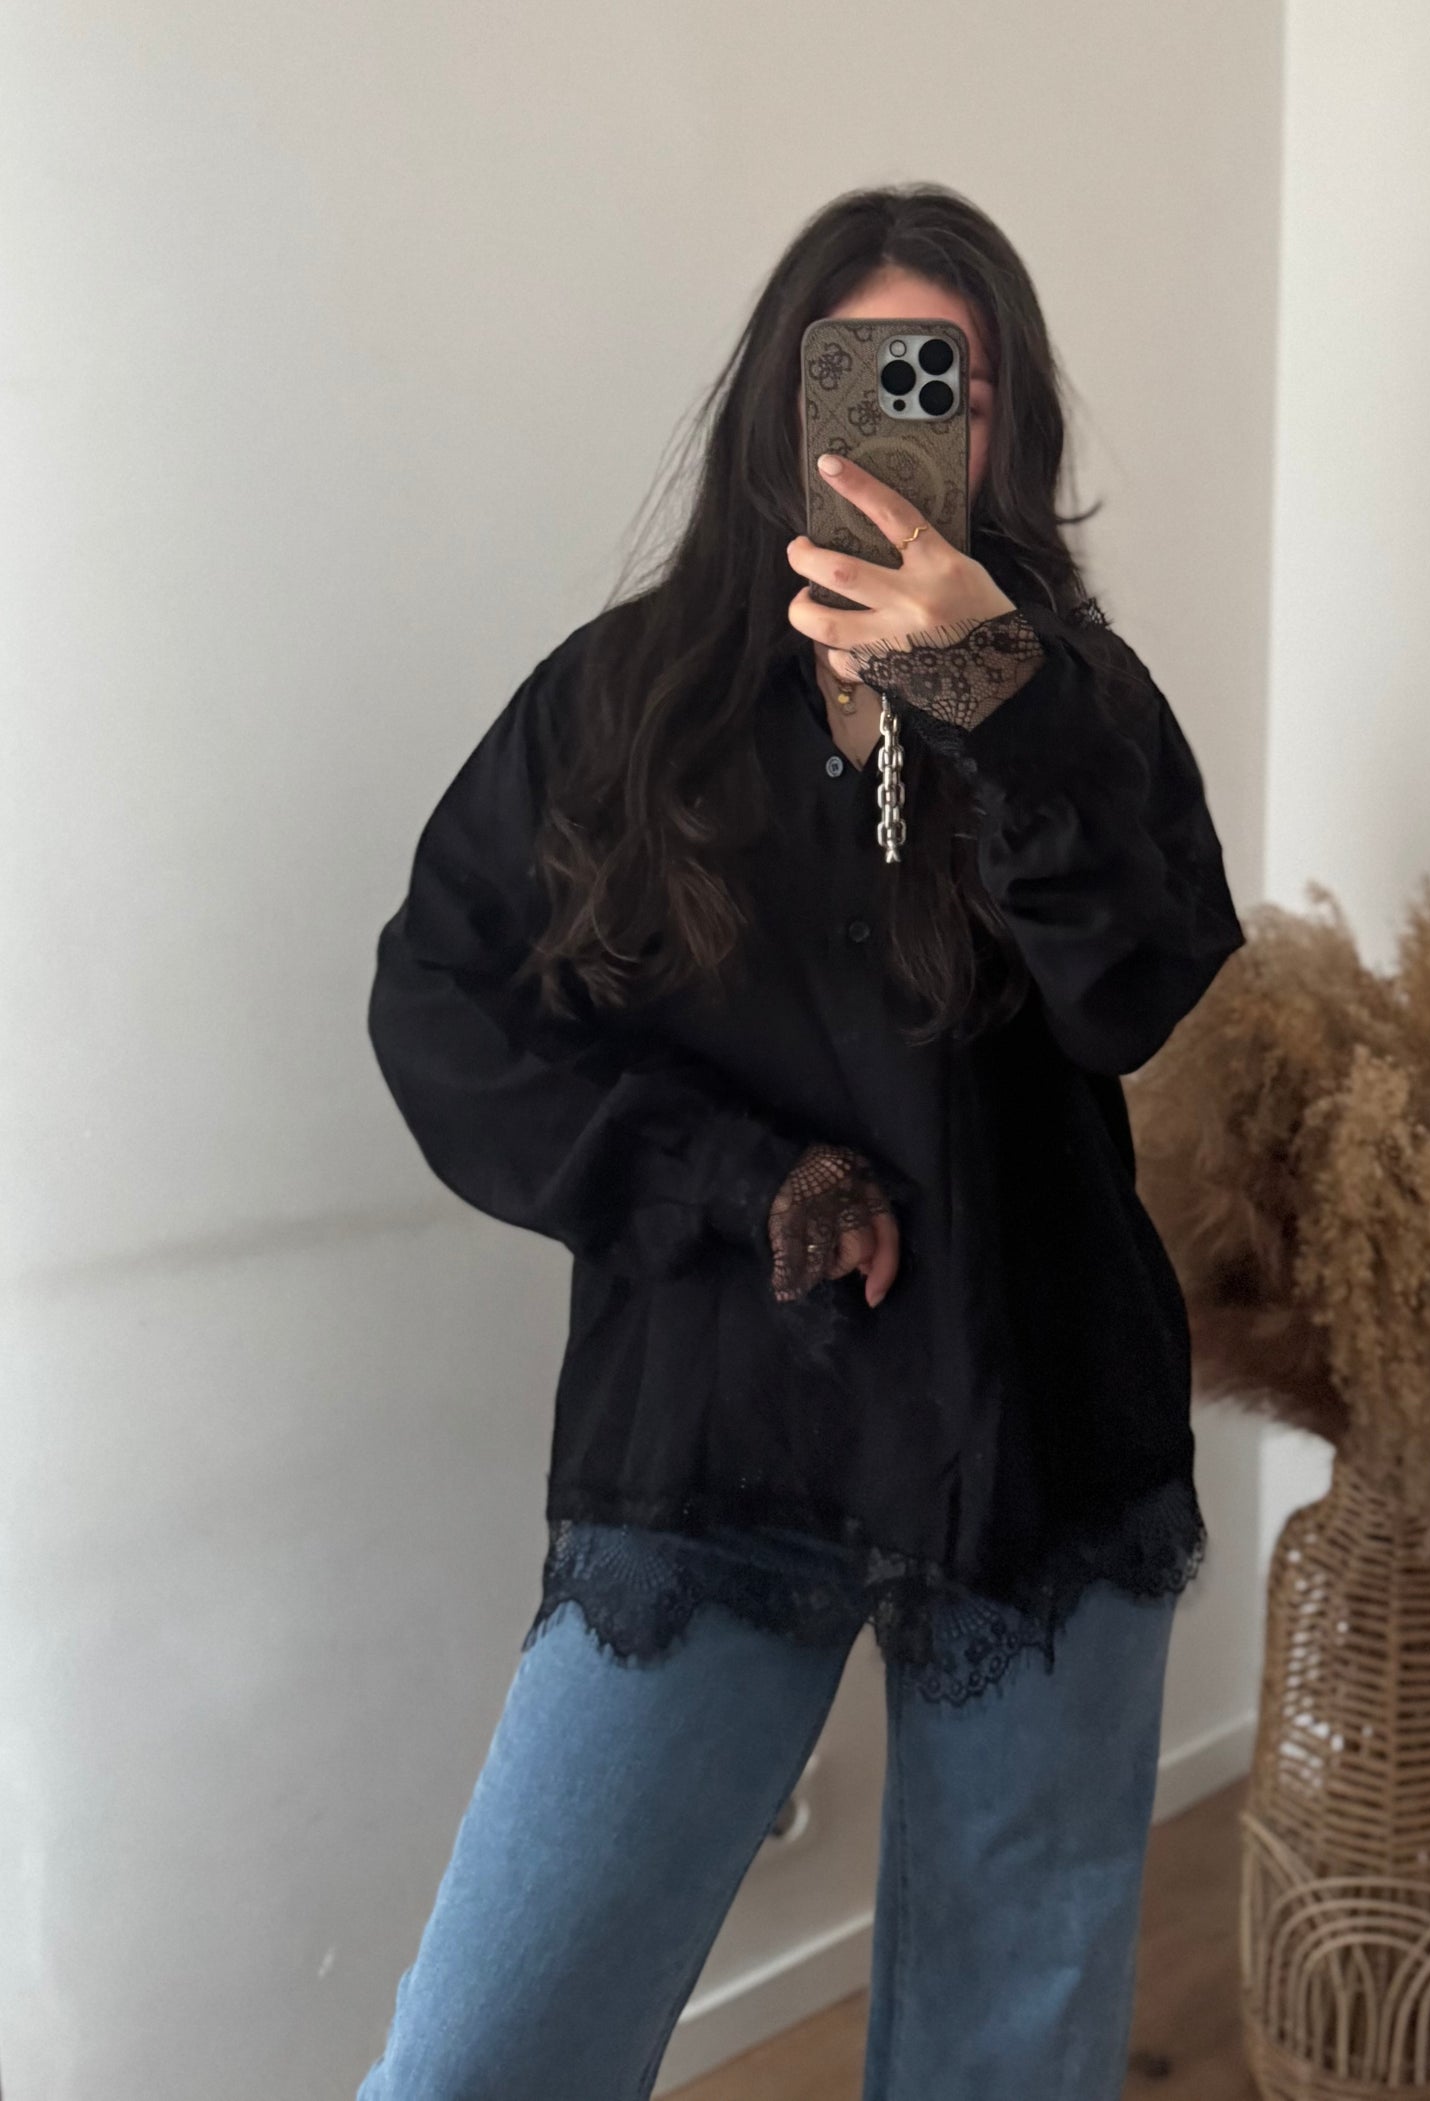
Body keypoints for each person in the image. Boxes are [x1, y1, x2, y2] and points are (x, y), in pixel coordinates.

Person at [356, 181, 1244, 2101]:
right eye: (870, 373)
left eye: (956, 386)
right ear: (784, 400)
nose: (913, 420)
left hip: (1034, 1417)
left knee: (1006, 2051)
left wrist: (989, 694)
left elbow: (1133, 995)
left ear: (1005, 429)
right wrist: (728, 1180)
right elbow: (442, 1001)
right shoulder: (626, 702)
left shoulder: (1077, 703)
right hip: (715, 1419)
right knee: (483, 2054)